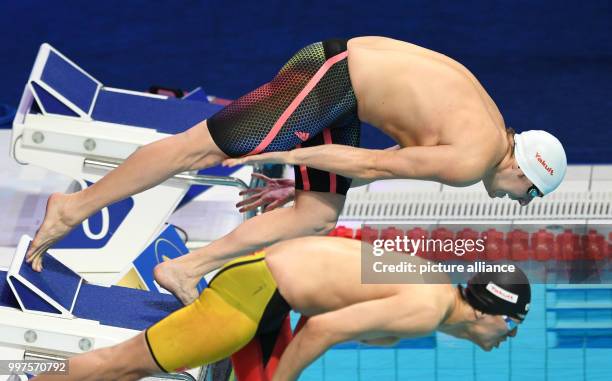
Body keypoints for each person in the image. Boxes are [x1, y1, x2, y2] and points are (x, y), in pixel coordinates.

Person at [25, 36, 566, 304]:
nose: (519, 203)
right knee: (199, 148)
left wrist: (296, 177)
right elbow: (369, 165)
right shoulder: (472, 160)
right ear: (523, 166)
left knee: (315, 212)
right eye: (529, 193)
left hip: (345, 95)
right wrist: (278, 155)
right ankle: (72, 207)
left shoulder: (492, 128)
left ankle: (185, 270)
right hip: (332, 78)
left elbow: (367, 161)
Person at [31, 236, 531, 381]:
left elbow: (330, 294)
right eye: (512, 327)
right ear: (491, 313)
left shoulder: (431, 280)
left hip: (269, 293)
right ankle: (23, 374)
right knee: (115, 365)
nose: (506, 337)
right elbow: (324, 331)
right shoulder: (425, 308)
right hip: (252, 298)